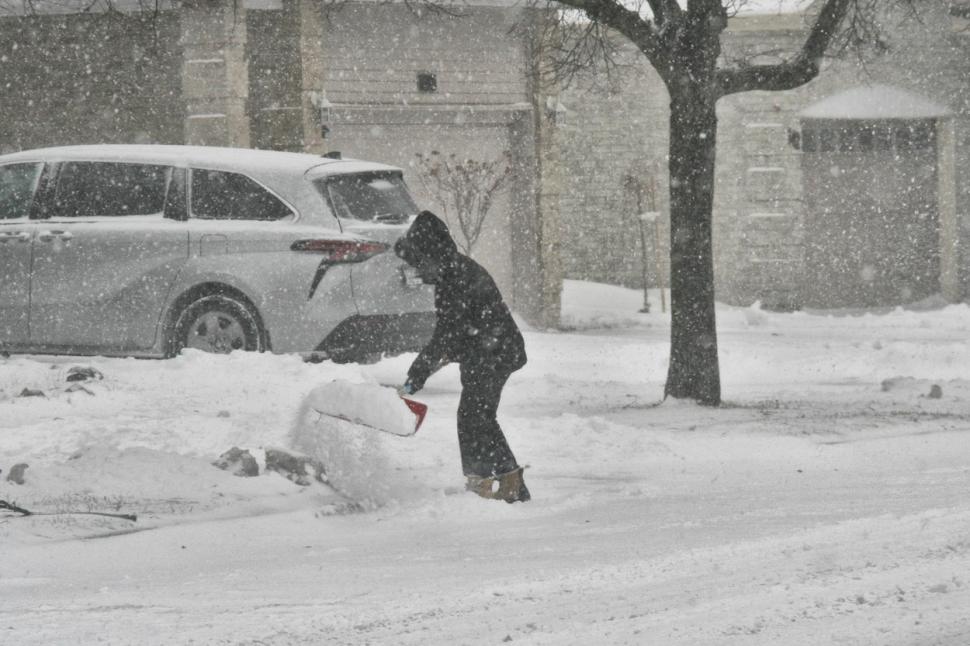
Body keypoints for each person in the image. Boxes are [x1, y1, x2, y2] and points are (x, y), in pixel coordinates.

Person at [394, 211, 530, 503]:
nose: (417, 271)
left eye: (418, 263)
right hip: (487, 351)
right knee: (478, 417)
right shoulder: (451, 272)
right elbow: (451, 334)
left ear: (431, 253)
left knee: (473, 417)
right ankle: (509, 482)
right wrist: (423, 369)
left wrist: (417, 373)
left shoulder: (457, 277)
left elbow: (447, 334)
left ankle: (482, 482)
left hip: (495, 352)